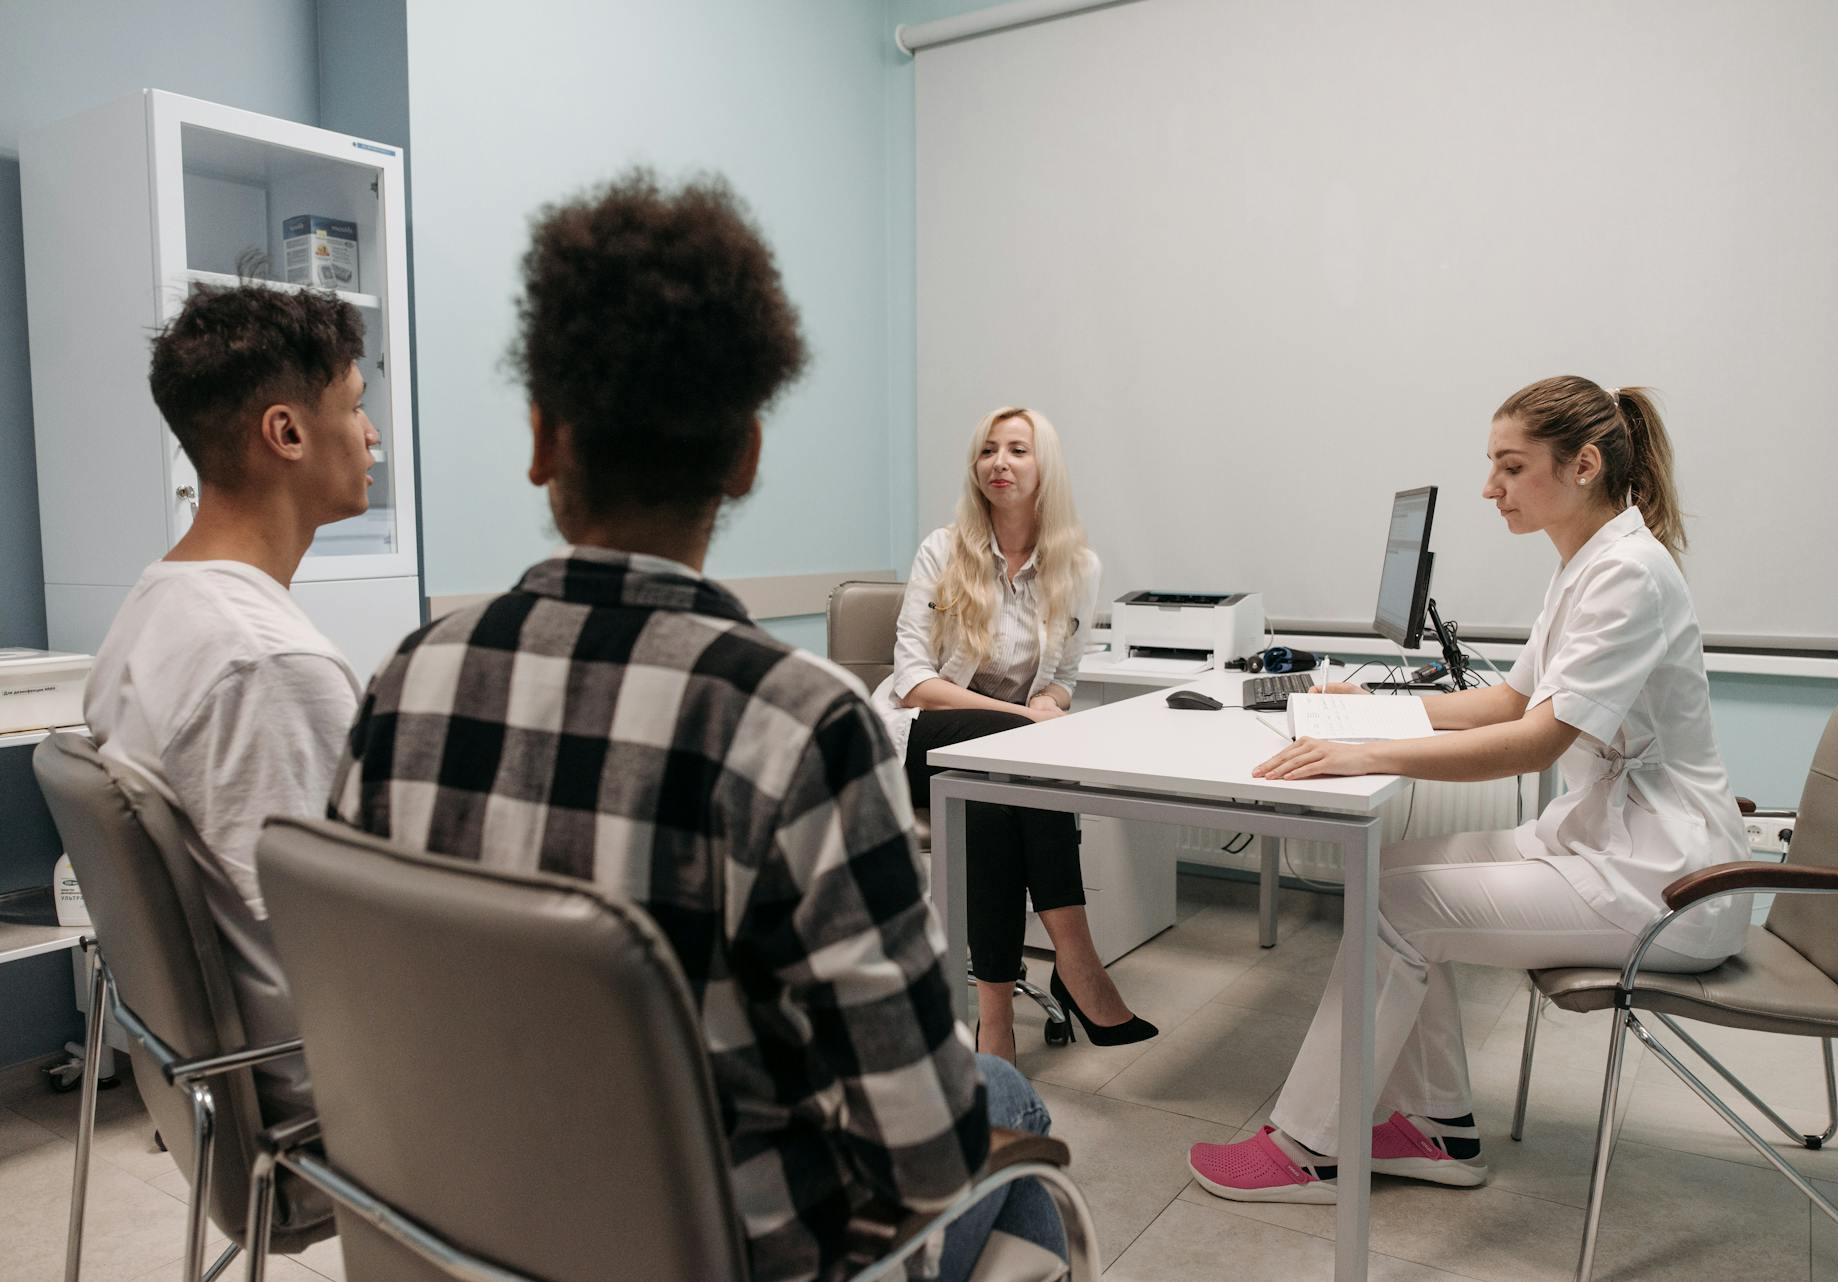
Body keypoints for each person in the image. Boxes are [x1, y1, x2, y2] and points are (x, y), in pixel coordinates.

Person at [329, 169, 1064, 1282]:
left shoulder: (402, 686)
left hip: (457, 1226)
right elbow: (920, 1148)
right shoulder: (798, 726)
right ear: (747, 456)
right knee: (1000, 1098)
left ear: (540, 440)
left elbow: (358, 1019)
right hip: (718, 1250)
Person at [1188, 375, 1749, 1202]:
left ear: (1584, 464)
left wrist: (1370, 754)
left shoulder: (1629, 573)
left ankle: (1310, 1147)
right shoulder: (1587, 562)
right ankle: (1437, 1129)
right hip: (1610, 844)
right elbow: (1508, 700)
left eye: (1511, 468)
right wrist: (1380, 708)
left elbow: (1535, 742)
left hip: (1668, 883)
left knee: (1395, 907)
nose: (1491, 488)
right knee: (1393, 875)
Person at [84, 281, 376, 1228]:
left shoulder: (152, 609)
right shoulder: (267, 663)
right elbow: (339, 956)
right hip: (327, 1124)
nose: (371, 436)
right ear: (287, 434)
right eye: (357, 406)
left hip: (210, 1092)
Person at [877, 406, 1155, 1062]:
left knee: (996, 794)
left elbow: (1065, 676)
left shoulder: (1077, 567)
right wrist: (1028, 721)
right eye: (987, 451)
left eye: (1017, 450)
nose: (999, 462)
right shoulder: (942, 551)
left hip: (999, 760)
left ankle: (994, 1024)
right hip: (916, 735)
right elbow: (914, 680)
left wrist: (1048, 705)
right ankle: (1080, 963)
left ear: (1044, 468)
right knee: (1019, 757)